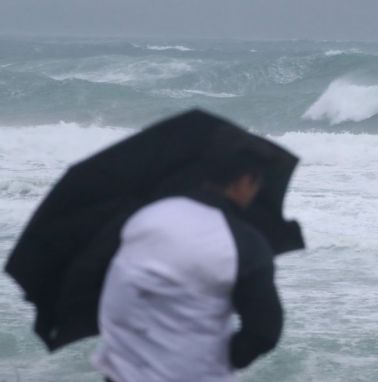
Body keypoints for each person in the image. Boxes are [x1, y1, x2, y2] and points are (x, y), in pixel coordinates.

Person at [91, 149, 283, 382]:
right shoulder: (242, 242)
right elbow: (264, 331)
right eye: (257, 182)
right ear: (244, 181)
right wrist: (225, 358)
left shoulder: (146, 216)